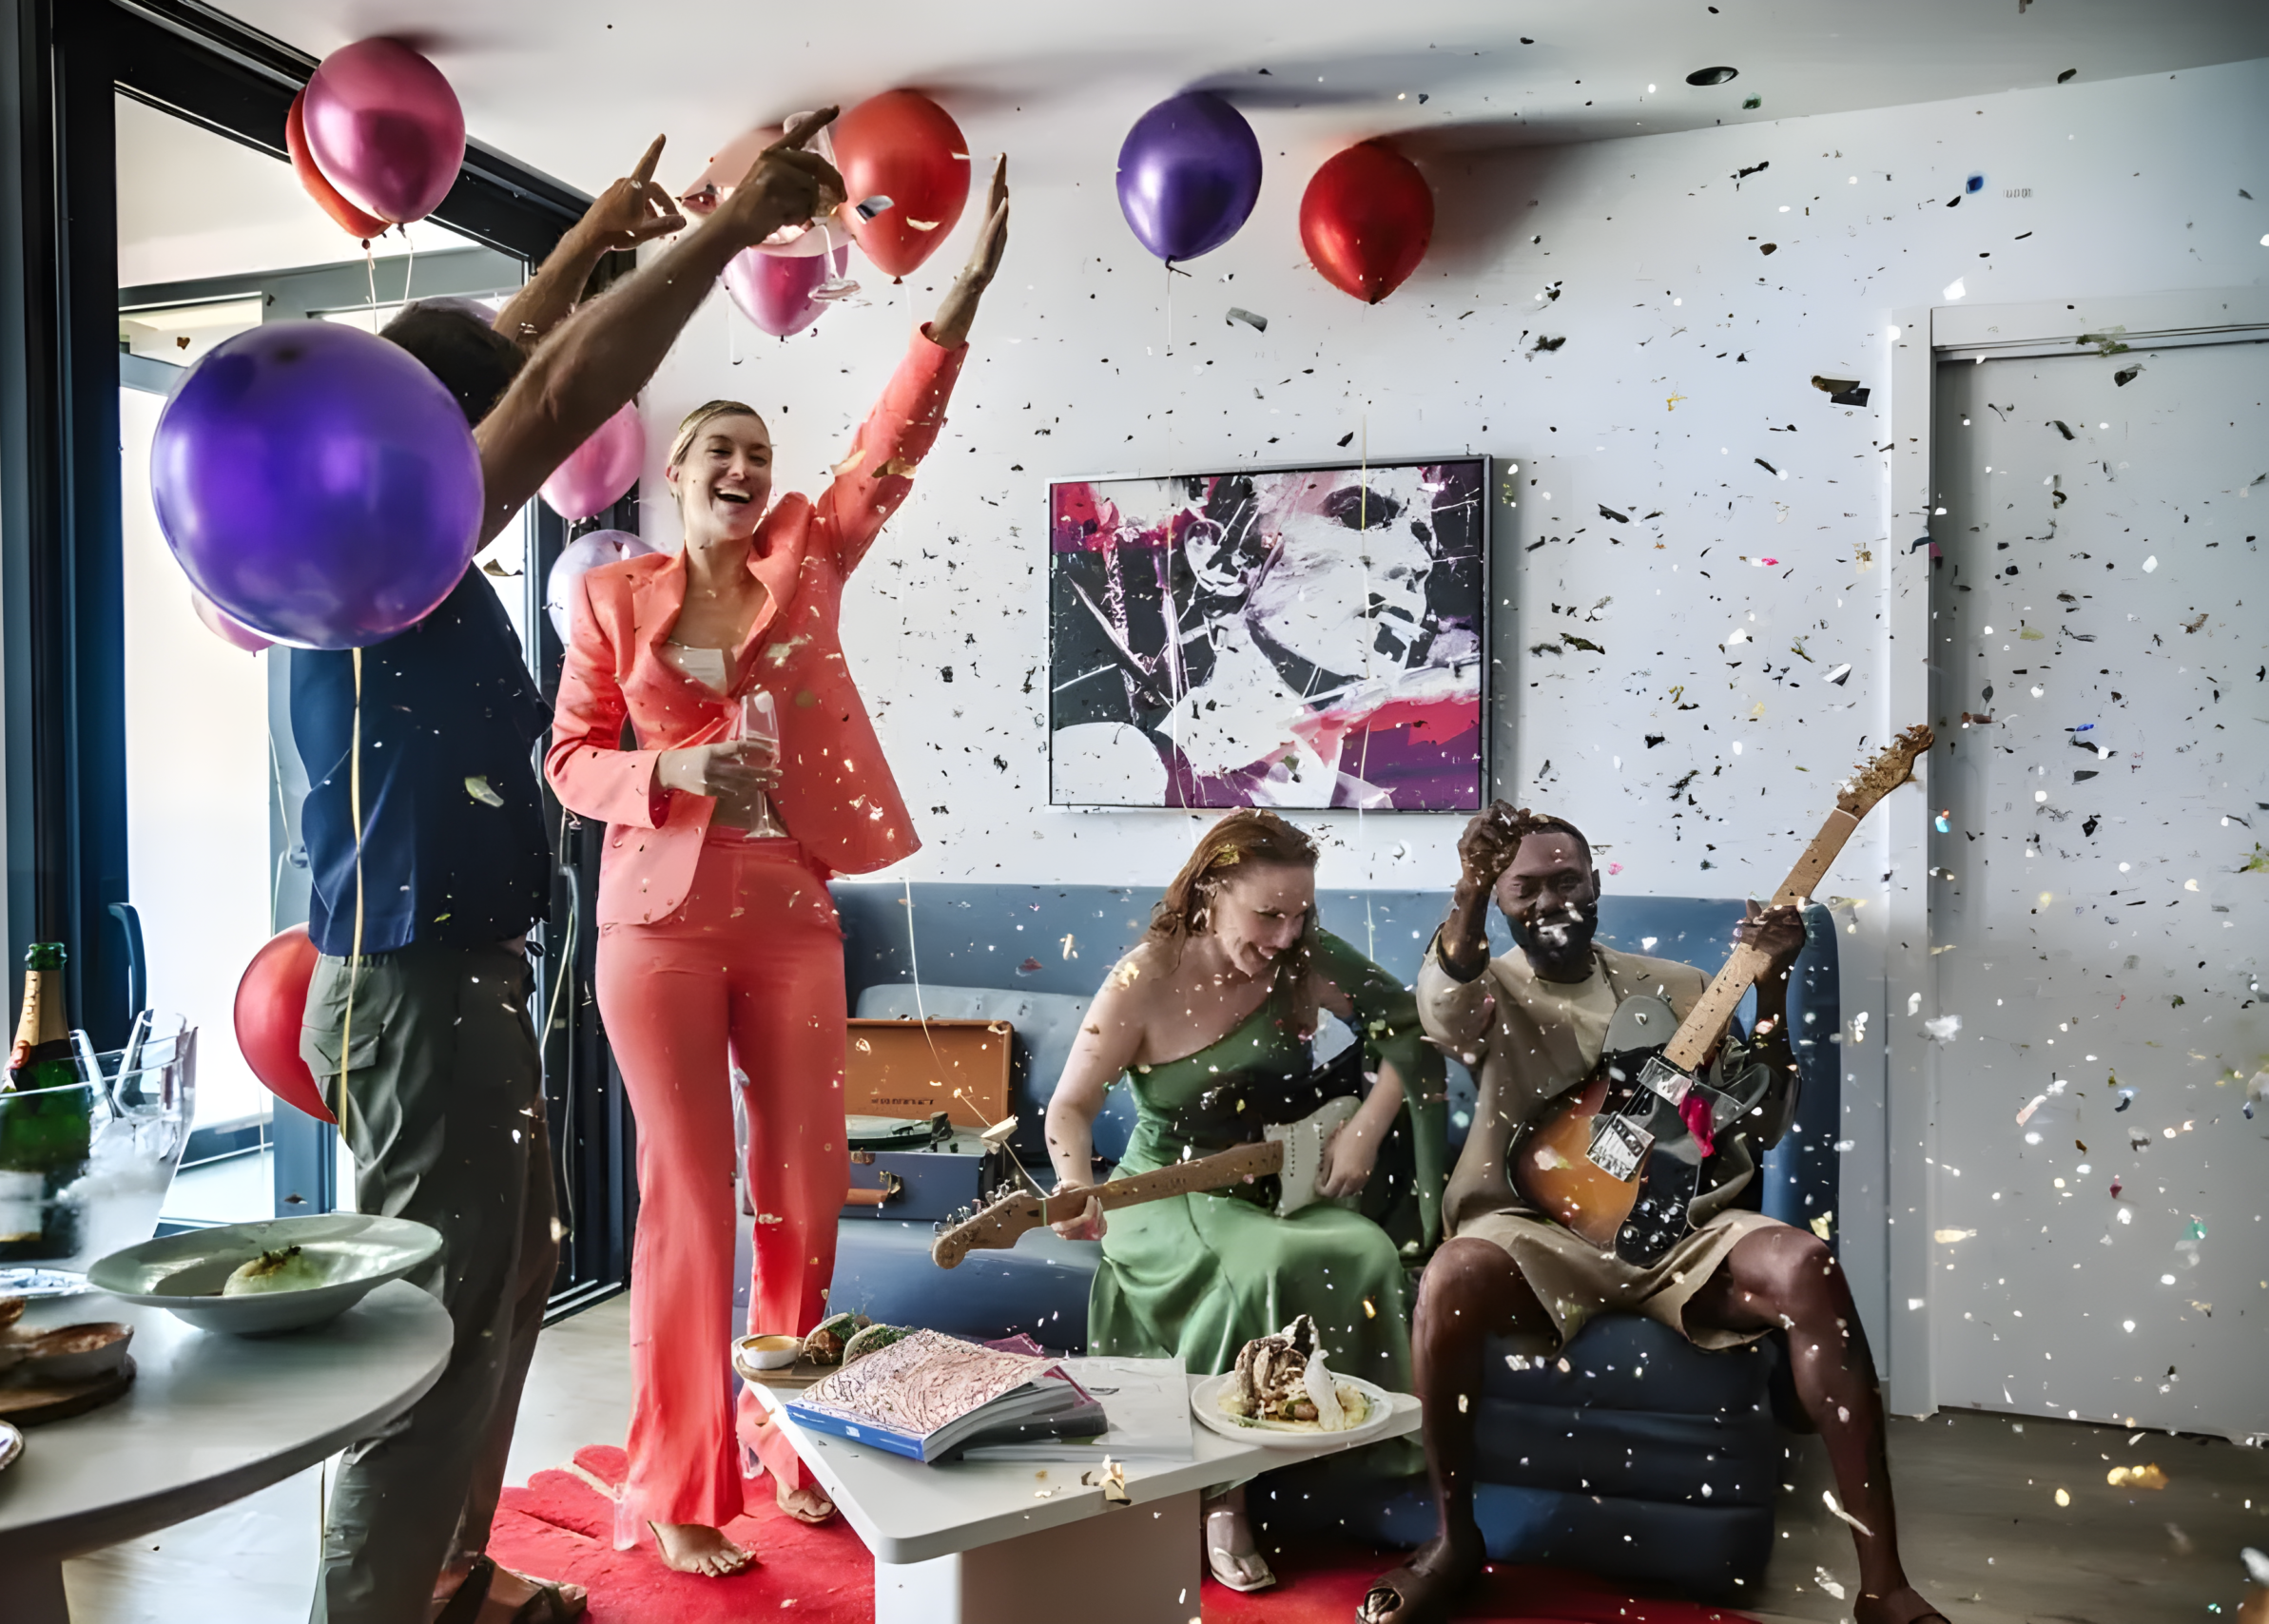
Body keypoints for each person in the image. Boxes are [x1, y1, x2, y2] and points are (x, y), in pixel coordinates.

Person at [292, 124, 845, 1624]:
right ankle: (383, 1611)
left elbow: (503, 363)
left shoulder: (385, 524)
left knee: (512, 1284)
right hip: (413, 980)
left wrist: (591, 233)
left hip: (472, 973)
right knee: (441, 1319)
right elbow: (541, 391)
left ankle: (452, 1578)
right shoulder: (379, 550)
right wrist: (722, 240)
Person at [542, 157, 1012, 1577]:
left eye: (757, 451)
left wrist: (960, 300)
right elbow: (568, 762)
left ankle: (793, 1443)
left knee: (802, 1192)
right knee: (687, 1200)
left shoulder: (810, 559)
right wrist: (666, 769)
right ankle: (682, 1487)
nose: (744, 470)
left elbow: (886, 447)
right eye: (717, 452)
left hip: (794, 913)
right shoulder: (614, 600)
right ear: (675, 473)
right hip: (659, 927)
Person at [1362, 802, 1949, 1624]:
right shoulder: (1484, 990)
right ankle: (1457, 1541)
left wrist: (1772, 979)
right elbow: (1443, 1009)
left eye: (1566, 879)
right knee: (1451, 1275)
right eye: (1522, 888)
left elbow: (1766, 1114)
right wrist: (1465, 886)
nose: (1548, 899)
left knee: (1805, 1266)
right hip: (1534, 1233)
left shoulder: (1674, 988)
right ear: (1499, 902)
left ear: (1597, 884)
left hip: (1682, 1233)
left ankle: (1885, 1586)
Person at [1041, 809, 1447, 1594]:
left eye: (1302, 914)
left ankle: (1366, 1469)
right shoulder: (1143, 978)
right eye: (1268, 914)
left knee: (1362, 1251)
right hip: (1167, 1188)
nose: (1288, 935)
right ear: (1210, 891)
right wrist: (1072, 1185)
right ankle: (1222, 1498)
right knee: (1260, 1270)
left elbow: (1412, 1029)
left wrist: (1366, 1126)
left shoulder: (1303, 959)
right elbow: (1069, 1108)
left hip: (1278, 1179)